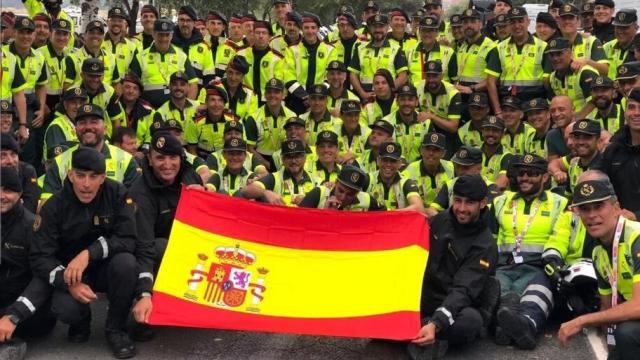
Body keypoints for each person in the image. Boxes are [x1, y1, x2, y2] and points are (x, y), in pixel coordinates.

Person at [30, 147, 138, 358]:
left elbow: (128, 239)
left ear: (103, 177)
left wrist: (90, 252)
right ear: (70, 175)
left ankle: (116, 329)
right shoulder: (54, 206)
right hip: (72, 273)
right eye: (80, 176)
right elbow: (40, 257)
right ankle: (81, 321)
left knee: (127, 264)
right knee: (65, 308)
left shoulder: (116, 193)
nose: (86, 184)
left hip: (104, 267)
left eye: (93, 176)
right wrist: (67, 282)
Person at [408, 174, 498, 360]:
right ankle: (424, 333)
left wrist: (436, 323)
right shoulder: (439, 221)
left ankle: (426, 332)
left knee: (470, 323)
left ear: (482, 203)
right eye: (457, 201)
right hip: (426, 294)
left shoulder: (485, 244)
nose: (462, 209)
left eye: (469, 203)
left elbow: (463, 290)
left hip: (459, 302)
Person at [491, 154, 571, 350]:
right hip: (505, 264)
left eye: (532, 173)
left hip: (538, 266)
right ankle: (508, 325)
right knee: (495, 288)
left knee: (531, 292)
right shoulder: (501, 201)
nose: (525, 177)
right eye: (521, 173)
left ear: (545, 177)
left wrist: (553, 257)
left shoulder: (559, 202)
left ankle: (516, 326)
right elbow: (491, 236)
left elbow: (561, 235)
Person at [558, 177, 640, 359]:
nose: (591, 215)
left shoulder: (636, 238)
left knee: (628, 332)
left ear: (616, 207)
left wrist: (582, 321)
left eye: (599, 206)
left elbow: (638, 306)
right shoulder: (598, 252)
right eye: (584, 209)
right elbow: (606, 306)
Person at [128, 132, 202, 332]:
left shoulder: (189, 176)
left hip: (188, 246)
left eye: (173, 157)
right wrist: (144, 294)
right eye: (160, 158)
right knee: (161, 247)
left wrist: (205, 197)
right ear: (150, 160)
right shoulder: (140, 193)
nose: (167, 164)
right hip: (151, 252)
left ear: (181, 159)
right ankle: (148, 303)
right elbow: (144, 247)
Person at [0, 167, 56, 359]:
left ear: (20, 193)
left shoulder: (33, 227)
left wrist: (14, 315)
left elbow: (43, 278)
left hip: (28, 309)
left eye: (8, 190)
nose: (2, 196)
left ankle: (12, 344)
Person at [41, 104, 140, 200]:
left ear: (105, 128)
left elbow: (136, 204)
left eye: (94, 122)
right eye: (82, 122)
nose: (88, 127)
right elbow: (46, 206)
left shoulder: (126, 161)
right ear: (75, 129)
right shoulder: (60, 162)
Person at [486, 7, 550, 113]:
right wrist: (498, 111)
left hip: (535, 105)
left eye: (520, 21)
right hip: (508, 105)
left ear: (528, 22)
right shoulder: (499, 48)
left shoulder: (542, 47)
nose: (517, 26)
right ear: (509, 25)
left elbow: (549, 82)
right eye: (512, 22)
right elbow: (490, 81)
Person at [130, 18, 198, 108]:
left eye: (167, 35)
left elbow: (193, 84)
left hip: (176, 110)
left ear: (172, 36)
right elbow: (132, 86)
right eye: (160, 35)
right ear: (153, 34)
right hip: (148, 111)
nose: (164, 38)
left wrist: (187, 108)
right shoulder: (140, 57)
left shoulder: (181, 56)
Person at [595, 87, 640, 220]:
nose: (636, 113)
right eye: (631, 107)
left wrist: (636, 216)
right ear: (625, 112)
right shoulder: (613, 149)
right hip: (619, 225)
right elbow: (597, 180)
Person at [283, 13, 335, 114]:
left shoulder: (330, 50)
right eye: (306, 28)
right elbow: (288, 76)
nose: (310, 31)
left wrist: (315, 97)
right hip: (297, 101)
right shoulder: (292, 49)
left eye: (313, 28)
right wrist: (304, 97)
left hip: (321, 99)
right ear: (302, 29)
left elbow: (331, 77)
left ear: (318, 29)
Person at [349, 13, 408, 102]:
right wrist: (362, 93)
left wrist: (388, 92)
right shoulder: (360, 48)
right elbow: (353, 74)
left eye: (381, 26)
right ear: (369, 28)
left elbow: (403, 76)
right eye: (374, 27)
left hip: (387, 99)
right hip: (364, 97)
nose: (378, 30)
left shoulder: (396, 49)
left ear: (387, 27)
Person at [240, 138, 316, 206]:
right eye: (289, 157)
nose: (293, 161)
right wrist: (265, 192)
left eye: (297, 157)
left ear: (304, 158)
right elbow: (246, 191)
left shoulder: (315, 180)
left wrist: (307, 201)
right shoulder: (274, 178)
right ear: (282, 160)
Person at [417, 60, 462, 157]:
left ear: (441, 76)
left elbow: (453, 127)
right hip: (424, 129)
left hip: (446, 133)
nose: (431, 80)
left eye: (435, 76)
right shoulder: (417, 87)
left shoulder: (453, 93)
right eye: (428, 76)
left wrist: (432, 117)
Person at [546, 37, 599, 114]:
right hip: (566, 121)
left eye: (559, 54)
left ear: (570, 53)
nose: (555, 58)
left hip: (588, 121)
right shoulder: (552, 77)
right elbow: (552, 104)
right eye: (551, 55)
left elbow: (594, 101)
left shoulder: (585, 72)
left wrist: (577, 118)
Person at [366, 141, 423, 211]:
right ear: (378, 161)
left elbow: (419, 208)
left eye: (393, 161)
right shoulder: (367, 179)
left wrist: (388, 212)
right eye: (385, 160)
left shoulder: (406, 183)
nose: (388, 164)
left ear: (399, 163)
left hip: (397, 222)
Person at [236, 20, 284, 104]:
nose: (261, 36)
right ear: (253, 35)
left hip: (268, 100)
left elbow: (280, 83)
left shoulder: (277, 58)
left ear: (269, 37)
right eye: (257, 33)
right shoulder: (241, 54)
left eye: (264, 33)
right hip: (245, 99)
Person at [402, 132, 454, 208]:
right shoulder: (409, 171)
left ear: (443, 153)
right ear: (421, 150)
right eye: (427, 149)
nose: (431, 153)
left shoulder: (451, 168)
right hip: (419, 215)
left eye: (436, 150)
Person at [298, 165, 385, 211]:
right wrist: (325, 214)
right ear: (336, 182)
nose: (343, 197)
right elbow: (298, 220)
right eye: (340, 190)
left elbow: (387, 218)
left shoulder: (367, 200)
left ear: (358, 192)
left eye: (350, 194)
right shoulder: (319, 194)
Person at [557, 3, 608, 76]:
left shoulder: (591, 42)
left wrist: (587, 62)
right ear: (558, 22)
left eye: (571, 18)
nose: (567, 21)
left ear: (578, 22)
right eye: (564, 18)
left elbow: (605, 70)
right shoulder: (553, 45)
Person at [406, 15, 456, 86]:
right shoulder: (410, 50)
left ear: (437, 33)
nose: (427, 34)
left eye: (431, 31)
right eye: (424, 30)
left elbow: (454, 81)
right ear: (419, 31)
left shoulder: (449, 53)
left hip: (440, 95)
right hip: (415, 95)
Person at [1, 133, 40, 213]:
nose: (10, 161)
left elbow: (29, 208)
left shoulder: (28, 171)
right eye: (2, 156)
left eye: (13, 154)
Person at [603, 10, 638, 81]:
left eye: (625, 28)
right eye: (617, 27)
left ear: (636, 27)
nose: (620, 31)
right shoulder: (606, 46)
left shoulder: (638, 49)